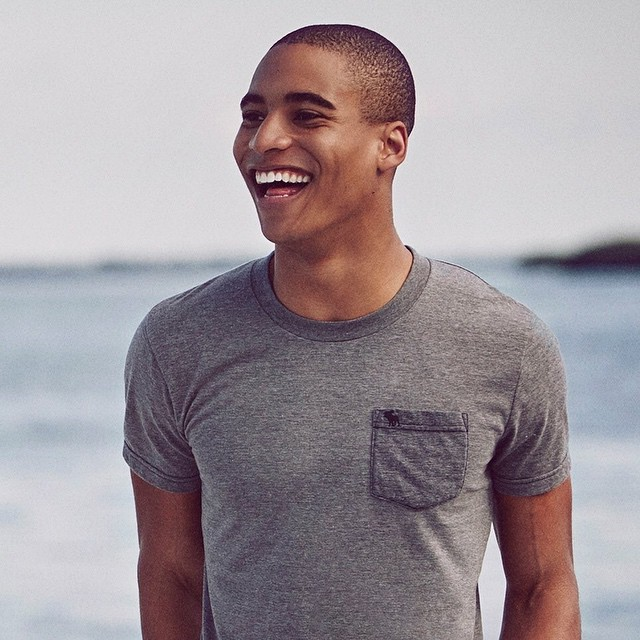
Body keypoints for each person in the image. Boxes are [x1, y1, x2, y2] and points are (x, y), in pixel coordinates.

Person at [123, 24, 580, 639]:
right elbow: (169, 575)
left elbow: (543, 586)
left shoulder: (505, 345)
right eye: (252, 116)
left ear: (390, 145)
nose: (264, 139)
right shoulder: (177, 342)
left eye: (307, 116)